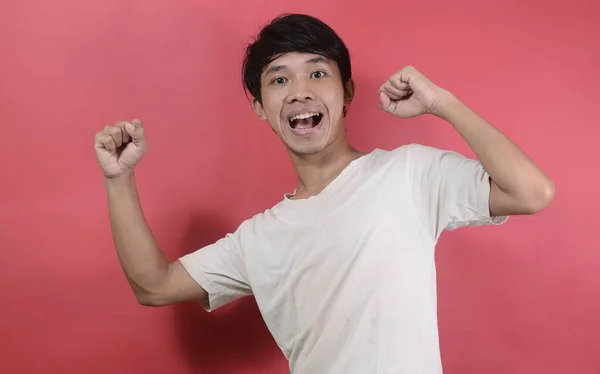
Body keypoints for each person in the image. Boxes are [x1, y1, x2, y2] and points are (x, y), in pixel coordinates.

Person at [94, 13, 555, 374]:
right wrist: (119, 180)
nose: (298, 92)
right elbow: (154, 286)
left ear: (347, 91)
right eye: (279, 79)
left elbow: (531, 192)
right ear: (259, 107)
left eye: (317, 74)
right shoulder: (258, 239)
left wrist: (442, 102)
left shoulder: (409, 172)